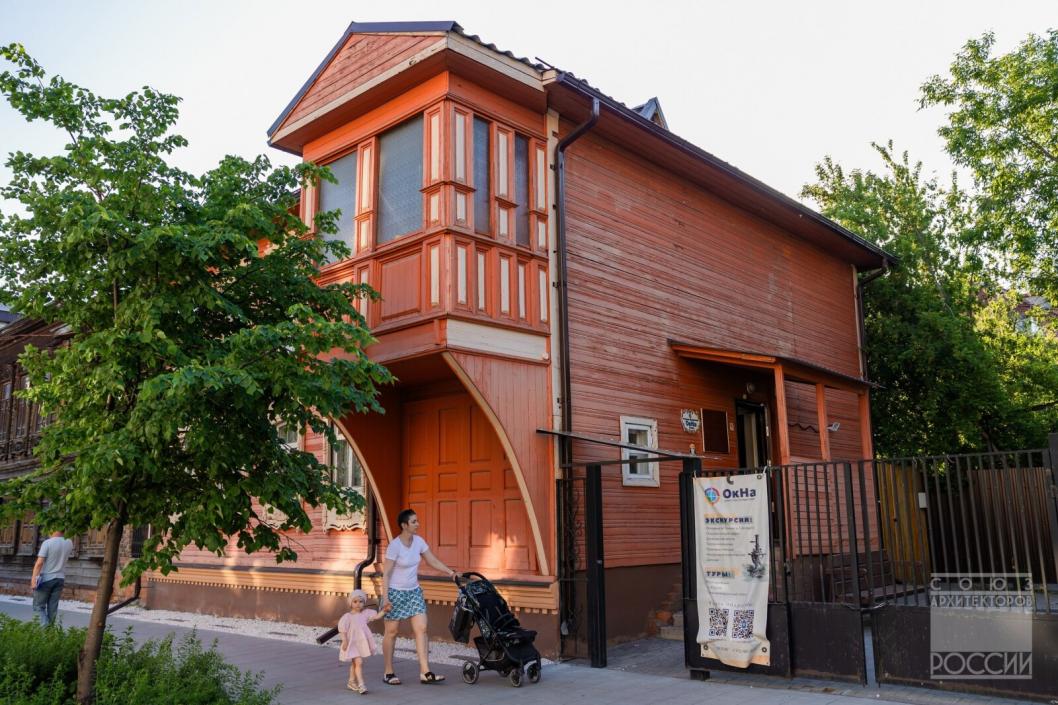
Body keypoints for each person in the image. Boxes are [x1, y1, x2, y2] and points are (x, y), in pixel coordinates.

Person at [380, 509, 457, 685]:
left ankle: (425, 672)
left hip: (414, 591)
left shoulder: (419, 542)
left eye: (417, 521)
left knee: (422, 628)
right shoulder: (395, 546)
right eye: (414, 522)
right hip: (395, 593)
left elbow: (432, 560)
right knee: (391, 632)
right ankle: (388, 672)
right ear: (404, 525)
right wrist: (386, 598)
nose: (418, 524)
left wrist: (451, 572)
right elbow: (386, 574)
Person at [338, 589, 390, 694]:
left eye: (361, 601)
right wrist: (345, 641)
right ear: (351, 603)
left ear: (364, 603)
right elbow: (342, 630)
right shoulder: (347, 617)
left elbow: (376, 617)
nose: (358, 604)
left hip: (360, 643)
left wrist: (384, 611)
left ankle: (351, 682)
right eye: (355, 601)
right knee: (359, 662)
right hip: (352, 643)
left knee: (355, 663)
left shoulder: (365, 614)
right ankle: (361, 684)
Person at [30, 529, 74, 626]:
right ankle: (50, 631)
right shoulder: (69, 542)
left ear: (53, 529)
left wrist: (33, 580)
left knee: (38, 606)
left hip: (46, 579)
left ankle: (44, 628)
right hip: (60, 578)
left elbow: (39, 563)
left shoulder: (47, 543)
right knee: (52, 608)